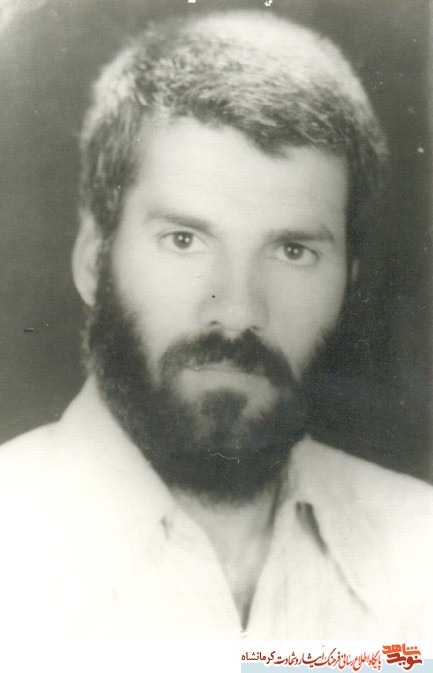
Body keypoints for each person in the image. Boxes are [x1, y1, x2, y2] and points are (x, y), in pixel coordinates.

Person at [0, 10, 432, 639]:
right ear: (94, 260)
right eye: (184, 240)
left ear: (348, 281)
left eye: (293, 251)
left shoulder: (422, 549)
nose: (236, 311)